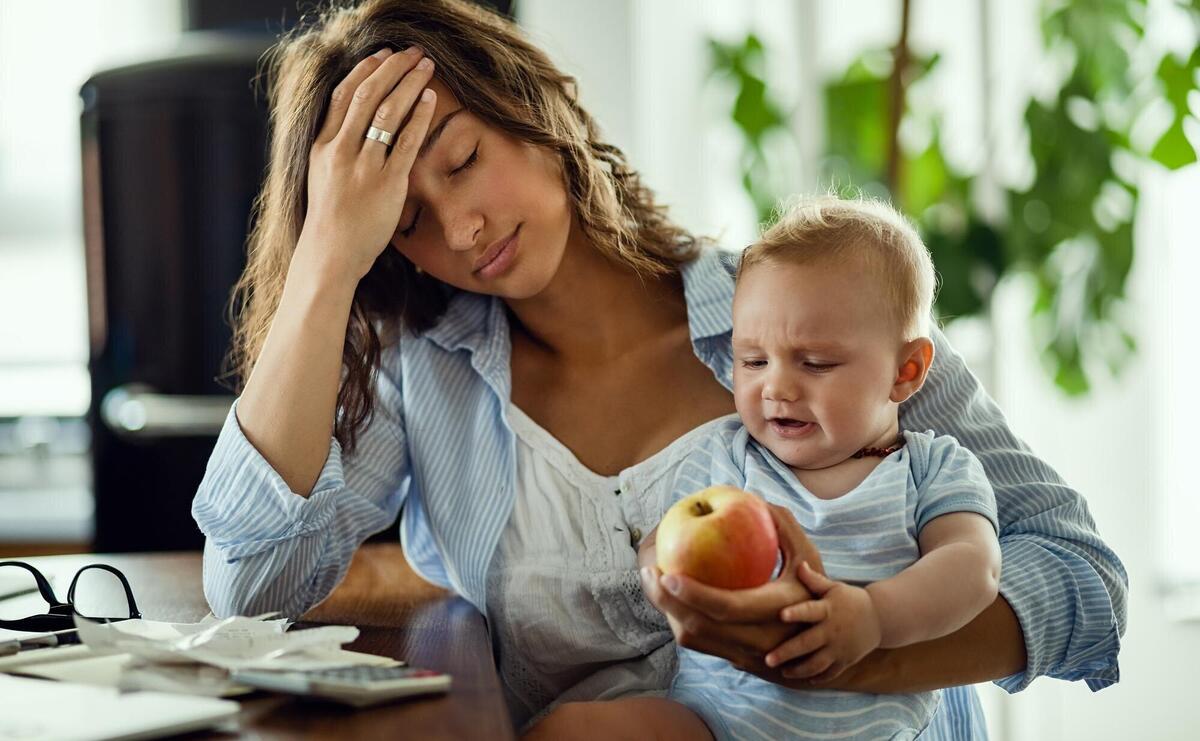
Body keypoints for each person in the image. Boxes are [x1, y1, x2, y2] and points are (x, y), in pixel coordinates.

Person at [190, 1, 1127, 738]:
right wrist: (323, 263)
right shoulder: (427, 377)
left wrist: (849, 643)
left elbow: (1083, 578)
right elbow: (251, 584)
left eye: (464, 160)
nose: (461, 229)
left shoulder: (814, 320)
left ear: (535, 109)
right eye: (404, 222)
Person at [604, 196, 1001, 739]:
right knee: (580, 726)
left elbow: (972, 567)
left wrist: (874, 616)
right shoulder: (725, 455)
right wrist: (666, 582)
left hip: (872, 730)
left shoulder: (931, 468)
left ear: (905, 371)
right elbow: (659, 539)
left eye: (815, 363)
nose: (777, 387)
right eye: (753, 361)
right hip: (713, 722)